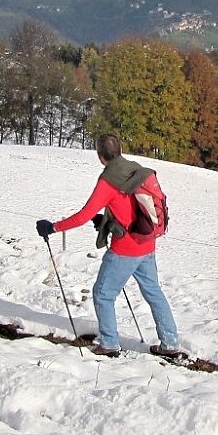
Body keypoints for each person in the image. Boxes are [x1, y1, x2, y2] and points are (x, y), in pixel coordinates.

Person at [38, 134, 182, 359]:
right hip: (147, 243)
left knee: (103, 294)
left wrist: (53, 227)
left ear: (99, 156)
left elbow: (82, 215)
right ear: (120, 149)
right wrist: (106, 220)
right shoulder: (135, 169)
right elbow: (130, 207)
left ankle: (109, 344)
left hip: (125, 250)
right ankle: (171, 343)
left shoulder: (108, 181)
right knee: (154, 292)